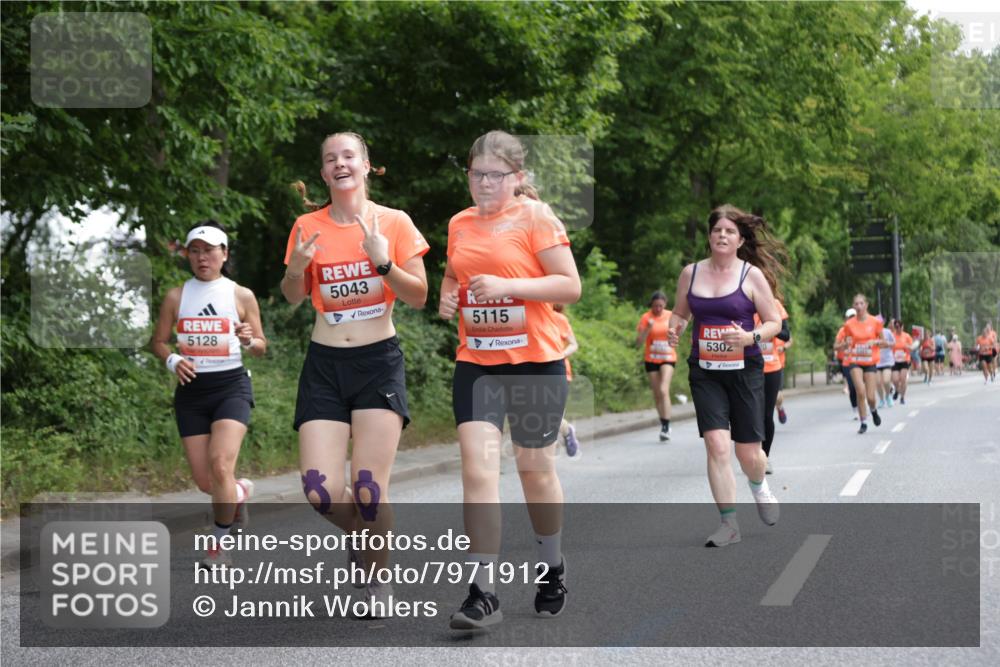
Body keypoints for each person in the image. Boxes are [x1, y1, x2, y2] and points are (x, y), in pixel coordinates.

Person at [438, 131, 581, 628]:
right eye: (476, 174)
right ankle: (483, 593)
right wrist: (448, 294)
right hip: (477, 362)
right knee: (477, 472)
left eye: (494, 175)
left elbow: (569, 285)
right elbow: (455, 273)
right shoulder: (458, 223)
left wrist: (508, 285)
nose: (483, 183)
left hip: (535, 361)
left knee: (534, 473)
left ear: (517, 179)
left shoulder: (536, 217)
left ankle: (552, 566)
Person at [282, 132, 430, 611]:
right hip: (324, 364)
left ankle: (376, 574)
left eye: (349, 156)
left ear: (367, 165)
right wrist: (296, 269)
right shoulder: (308, 225)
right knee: (320, 491)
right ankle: (372, 533)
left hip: (377, 362)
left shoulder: (395, 222)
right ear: (324, 173)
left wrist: (382, 260)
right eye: (330, 159)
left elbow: (419, 295)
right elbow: (292, 295)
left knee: (368, 488)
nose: (340, 164)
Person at [667, 204, 785, 548]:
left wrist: (751, 337)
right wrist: (674, 330)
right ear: (709, 237)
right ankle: (729, 524)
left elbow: (774, 322)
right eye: (717, 230)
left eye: (730, 231)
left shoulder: (752, 276)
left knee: (748, 454)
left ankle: (759, 485)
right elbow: (679, 313)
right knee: (717, 445)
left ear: (740, 239)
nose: (722, 235)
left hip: (745, 369)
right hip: (705, 370)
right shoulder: (691, 273)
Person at [152, 222, 266, 568]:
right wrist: (172, 359)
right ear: (188, 255)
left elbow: (261, 346)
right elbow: (158, 341)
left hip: (231, 386)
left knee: (220, 464)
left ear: (224, 254)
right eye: (196, 251)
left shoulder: (240, 294)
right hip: (191, 392)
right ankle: (240, 492)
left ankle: (218, 547)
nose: (203, 257)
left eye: (210, 250)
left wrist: (248, 339)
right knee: (208, 482)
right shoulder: (176, 296)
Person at [834, 294, 888, 434]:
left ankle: (874, 411)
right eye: (856, 304)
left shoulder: (875, 322)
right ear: (853, 306)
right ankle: (863, 421)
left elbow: (884, 342)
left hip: (870, 361)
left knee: (870, 396)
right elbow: (837, 344)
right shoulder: (849, 324)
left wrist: (874, 342)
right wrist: (845, 344)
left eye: (861, 303)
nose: (858, 306)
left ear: (866, 305)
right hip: (854, 360)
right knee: (860, 391)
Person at [636, 290, 678, 441]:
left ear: (665, 304)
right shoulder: (646, 317)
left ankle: (666, 426)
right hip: (651, 359)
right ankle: (663, 423)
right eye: (655, 306)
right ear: (651, 305)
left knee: (663, 389)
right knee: (656, 394)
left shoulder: (670, 316)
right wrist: (647, 328)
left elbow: (677, 334)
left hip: (668, 357)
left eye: (660, 306)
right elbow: (638, 343)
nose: (658, 309)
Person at [755, 298, 790, 473]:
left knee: (766, 415)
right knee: (752, 414)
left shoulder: (774, 304)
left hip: (771, 367)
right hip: (748, 367)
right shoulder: (740, 300)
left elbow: (786, 334)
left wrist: (769, 328)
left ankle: (764, 457)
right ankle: (752, 453)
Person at [552, 303, 581, 457]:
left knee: (552, 416)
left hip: (559, 371)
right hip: (532, 372)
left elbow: (574, 344)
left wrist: (560, 355)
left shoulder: (559, 319)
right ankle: (567, 430)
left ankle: (566, 432)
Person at [835, 308, 859, 417]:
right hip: (847, 362)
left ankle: (863, 405)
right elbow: (835, 346)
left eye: (854, 316)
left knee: (861, 386)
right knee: (852, 388)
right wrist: (844, 344)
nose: (852, 319)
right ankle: (855, 408)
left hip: (861, 361)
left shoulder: (862, 327)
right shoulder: (843, 331)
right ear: (846, 319)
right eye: (850, 317)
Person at [889, 319, 914, 405]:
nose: (898, 329)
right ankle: (897, 390)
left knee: (903, 379)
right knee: (895, 379)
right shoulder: (892, 336)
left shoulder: (906, 336)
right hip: (895, 360)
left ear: (902, 327)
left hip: (904, 360)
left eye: (899, 327)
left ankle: (902, 397)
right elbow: (889, 346)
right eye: (896, 327)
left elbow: (912, 347)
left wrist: (908, 347)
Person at [875, 315, 896, 409]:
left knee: (886, 380)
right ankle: (881, 399)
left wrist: (887, 344)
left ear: (883, 323)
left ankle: (888, 396)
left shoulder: (887, 332)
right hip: (876, 361)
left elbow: (894, 343)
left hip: (887, 361)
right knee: (878, 382)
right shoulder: (873, 333)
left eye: (880, 322)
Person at [774, 333, 793, 428]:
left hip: (778, 365)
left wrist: (783, 348)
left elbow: (790, 340)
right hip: (761, 366)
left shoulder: (781, 325)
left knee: (778, 396)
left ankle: (779, 407)